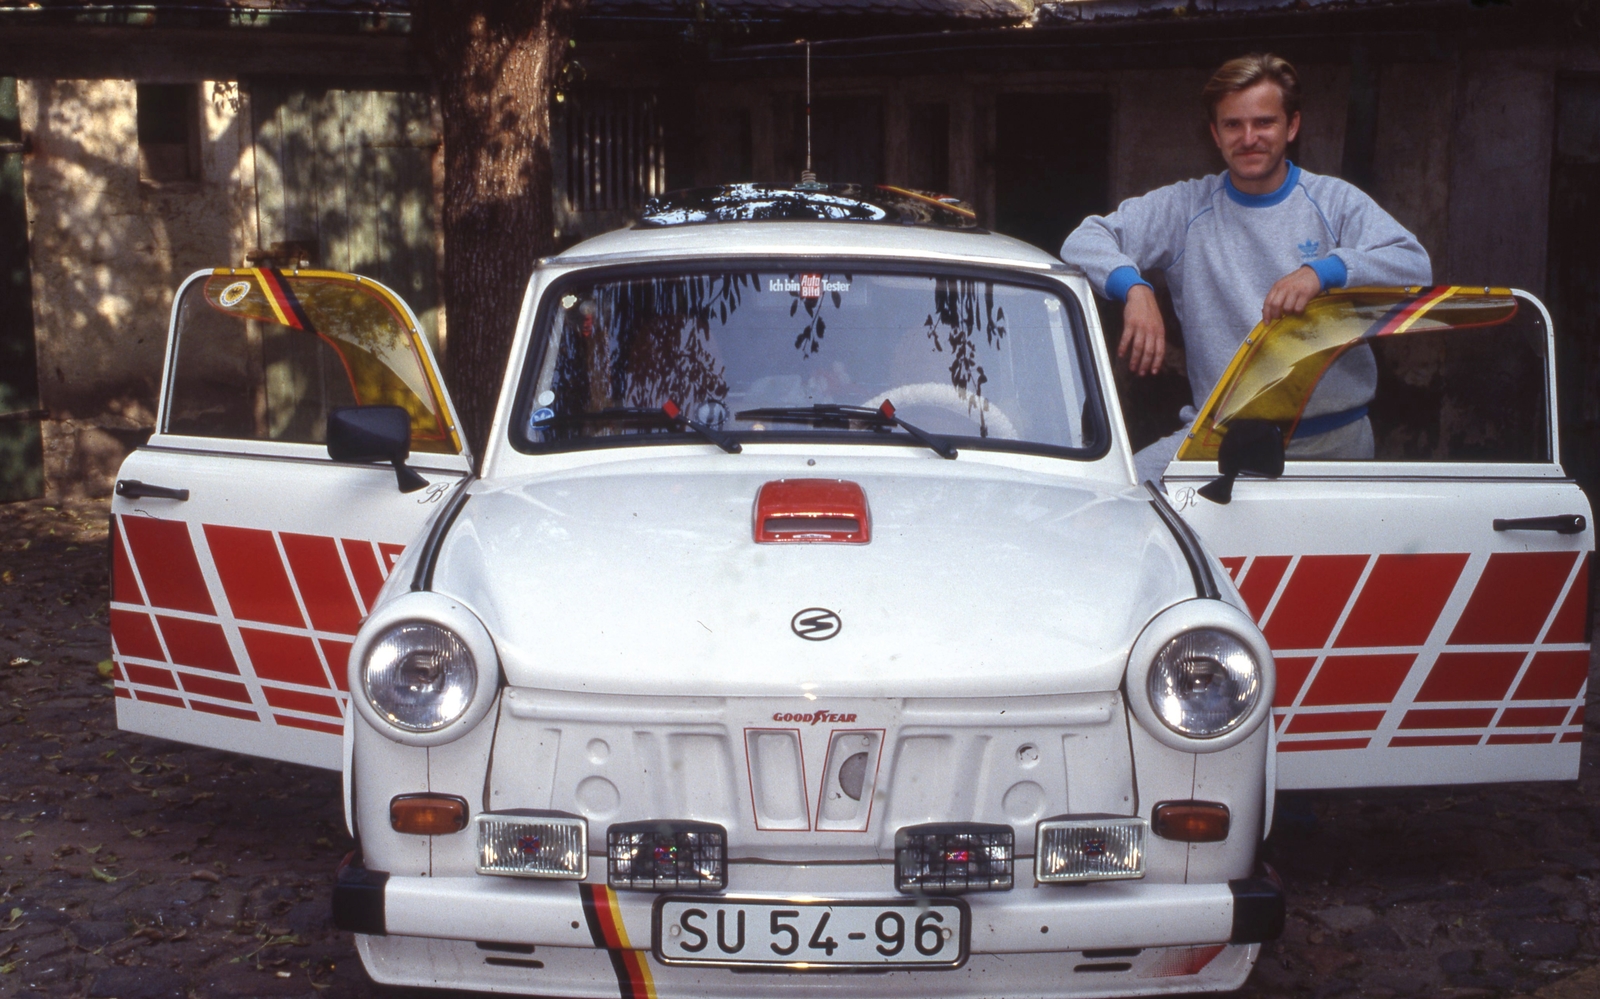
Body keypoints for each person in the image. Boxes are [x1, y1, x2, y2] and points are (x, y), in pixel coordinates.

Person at [1061, 53, 1432, 484]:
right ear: (1215, 134)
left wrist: (1323, 271)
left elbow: (1414, 263)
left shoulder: (1333, 200)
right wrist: (1134, 288)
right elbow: (1083, 239)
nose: (1249, 137)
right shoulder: (1187, 207)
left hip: (1334, 443)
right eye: (1233, 125)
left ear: (1291, 127)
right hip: (1224, 439)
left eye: (1264, 123)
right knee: (1117, 494)